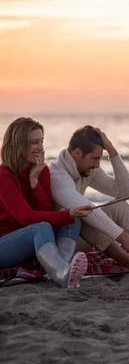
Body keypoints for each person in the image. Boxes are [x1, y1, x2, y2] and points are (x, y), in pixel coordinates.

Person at [49, 126, 129, 273]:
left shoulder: (86, 169)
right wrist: (125, 239)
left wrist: (112, 152)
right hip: (59, 246)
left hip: (78, 239)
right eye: (95, 158)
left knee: (119, 207)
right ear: (77, 153)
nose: (97, 165)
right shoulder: (57, 176)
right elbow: (86, 209)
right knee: (85, 217)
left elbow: (125, 192)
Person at [0, 117, 92, 288]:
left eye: (41, 141)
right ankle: (61, 273)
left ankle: (63, 268)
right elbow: (25, 217)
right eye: (35, 142)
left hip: (29, 244)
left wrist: (34, 179)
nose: (41, 147)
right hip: (4, 244)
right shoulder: (4, 176)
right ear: (19, 145)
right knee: (43, 226)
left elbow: (45, 210)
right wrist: (67, 214)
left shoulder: (42, 171)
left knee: (72, 219)